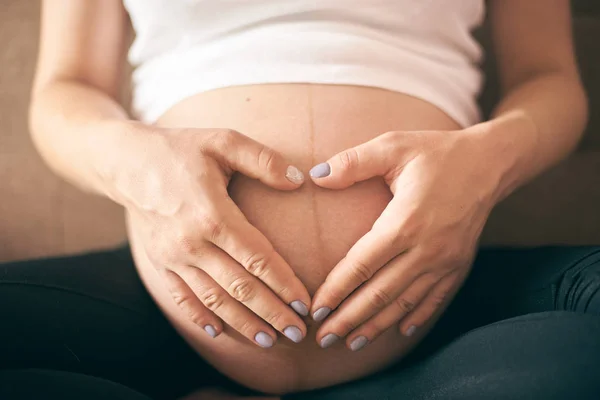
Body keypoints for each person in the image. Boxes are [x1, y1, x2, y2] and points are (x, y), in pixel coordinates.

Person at [0, 0, 599, 399]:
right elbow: (67, 89)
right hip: (170, 302)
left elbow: (547, 77)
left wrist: (485, 165)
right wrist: (133, 165)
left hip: (436, 306)